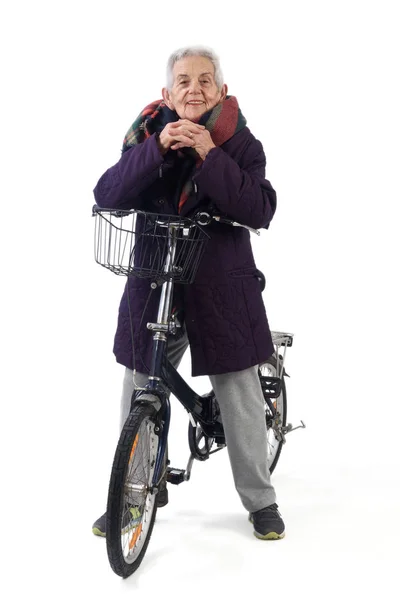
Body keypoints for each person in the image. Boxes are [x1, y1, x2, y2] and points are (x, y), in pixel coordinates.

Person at [92, 46, 285, 540]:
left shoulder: (240, 143)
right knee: (139, 382)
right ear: (167, 93)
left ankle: (261, 501)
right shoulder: (149, 135)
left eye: (204, 81)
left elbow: (258, 209)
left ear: (220, 91)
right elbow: (108, 193)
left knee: (238, 391)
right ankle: (132, 492)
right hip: (156, 282)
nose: (193, 89)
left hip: (219, 285)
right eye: (183, 81)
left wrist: (208, 152)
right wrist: (157, 149)